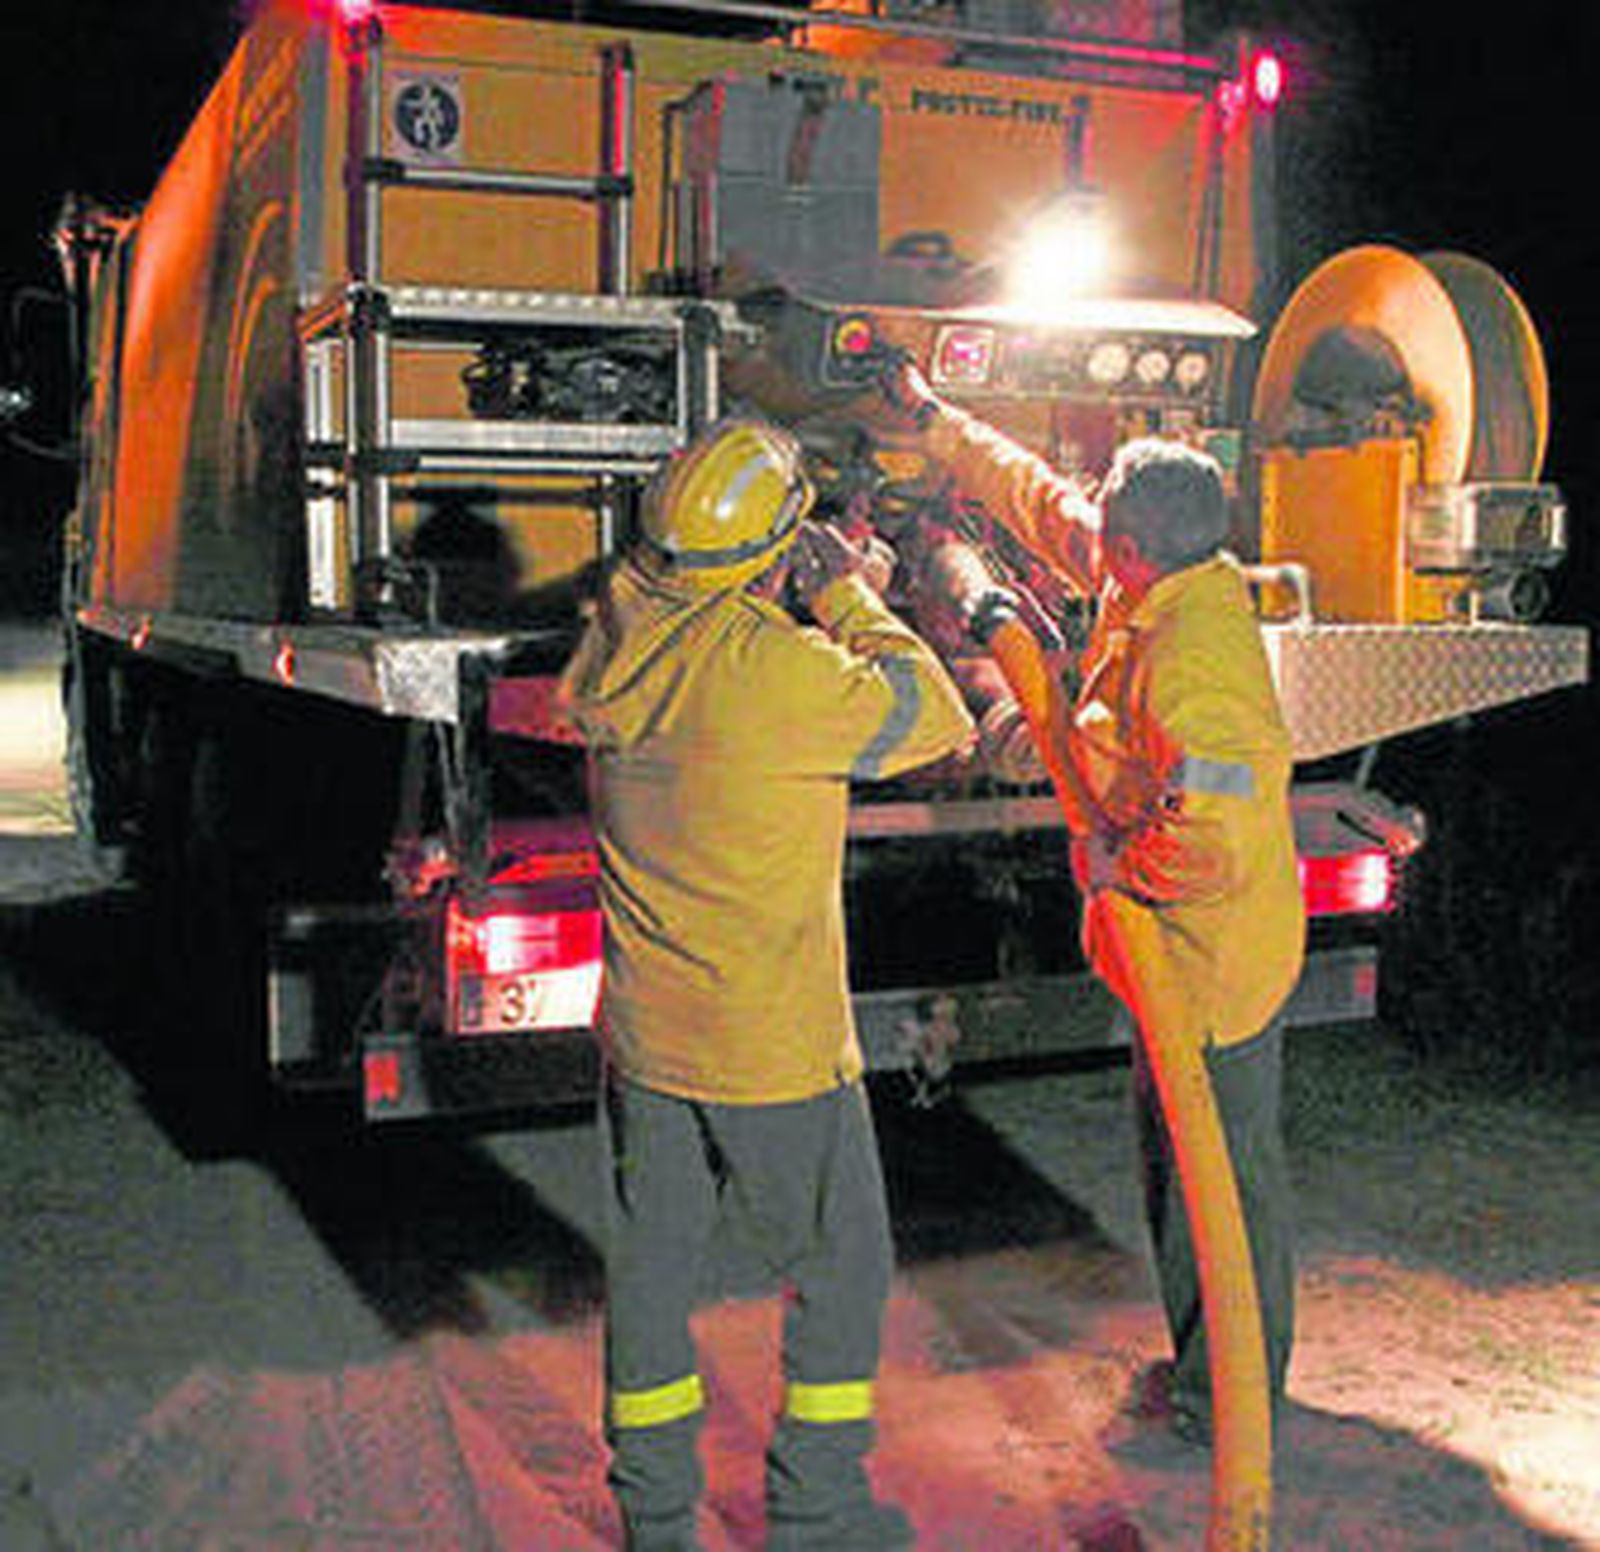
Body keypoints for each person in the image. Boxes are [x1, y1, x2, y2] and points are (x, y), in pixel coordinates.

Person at [558, 417, 974, 1550]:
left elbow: (668, 603)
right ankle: (815, 1513)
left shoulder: (610, 639)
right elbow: (933, 710)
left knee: (652, 1269)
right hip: (771, 1048)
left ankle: (654, 1519)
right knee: (843, 1271)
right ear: (778, 555)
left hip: (647, 1040)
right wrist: (846, 594)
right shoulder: (781, 673)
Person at [876, 364, 1306, 1448]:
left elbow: (1215, 828)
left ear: (1132, 548)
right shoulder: (1156, 577)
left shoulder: (1196, 659)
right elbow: (1037, 500)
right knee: (1180, 1170)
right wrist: (935, 421)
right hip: (1169, 953)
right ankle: (1214, 1377)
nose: (1085, 533)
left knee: (1217, 1182)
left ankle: (1230, 1398)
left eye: (1100, 527)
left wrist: (1121, 863)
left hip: (1208, 962)